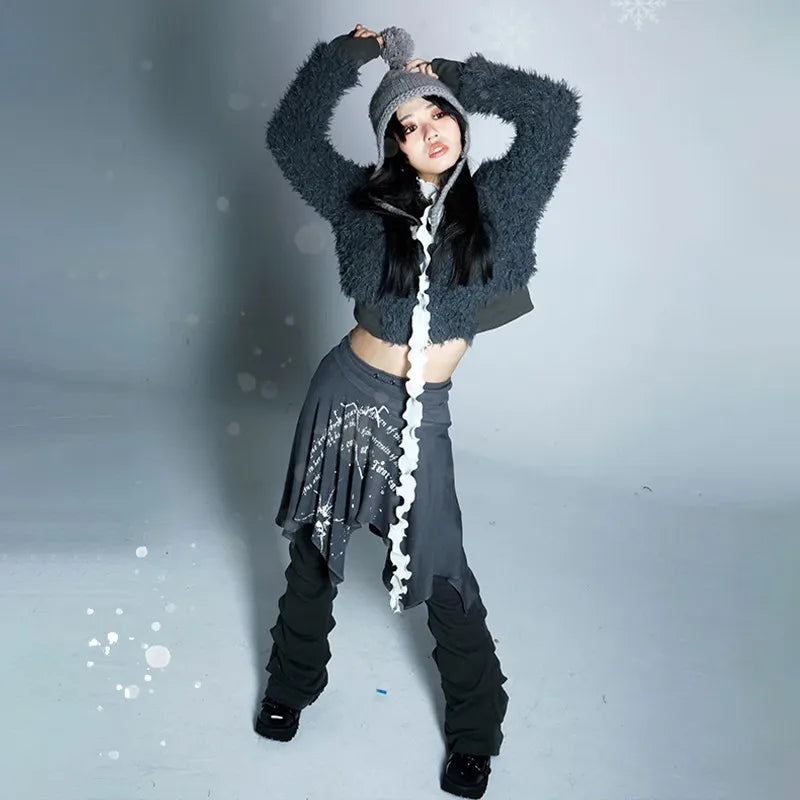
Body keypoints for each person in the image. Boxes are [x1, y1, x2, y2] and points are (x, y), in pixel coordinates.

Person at [255, 22, 581, 798]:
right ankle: (291, 684)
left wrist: (455, 75)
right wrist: (349, 54)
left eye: (437, 115)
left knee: (443, 575)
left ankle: (475, 732)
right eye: (406, 125)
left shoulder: (504, 199)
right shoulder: (361, 205)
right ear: (392, 145)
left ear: (458, 120)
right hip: (345, 397)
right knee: (315, 553)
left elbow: (553, 113)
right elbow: (289, 135)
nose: (428, 132)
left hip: (420, 414)